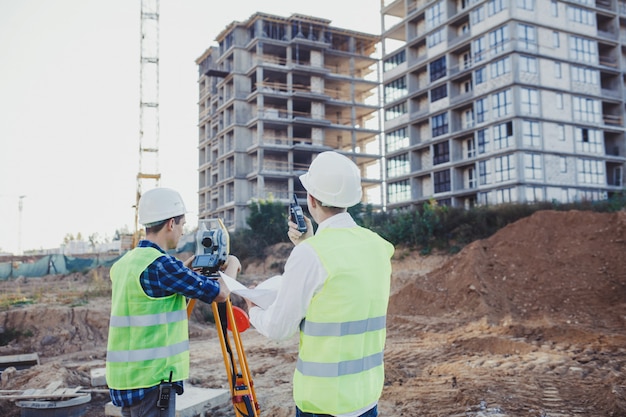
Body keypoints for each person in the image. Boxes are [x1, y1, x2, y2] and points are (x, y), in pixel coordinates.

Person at [248, 151, 394, 417]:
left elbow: (280, 328)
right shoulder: (378, 246)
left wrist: (251, 307)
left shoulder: (312, 255)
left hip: (323, 404)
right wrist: (308, 244)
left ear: (311, 199)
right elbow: (339, 295)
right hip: (366, 399)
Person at [106, 187, 239, 417]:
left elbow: (154, 294)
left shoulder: (125, 264)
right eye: (182, 224)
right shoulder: (163, 266)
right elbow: (221, 294)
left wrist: (184, 269)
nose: (182, 230)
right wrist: (234, 264)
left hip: (125, 379)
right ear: (170, 224)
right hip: (152, 382)